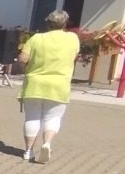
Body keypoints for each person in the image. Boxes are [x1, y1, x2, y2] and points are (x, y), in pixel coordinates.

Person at [18, 9, 79, 164]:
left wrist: (27, 68)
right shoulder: (72, 38)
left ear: (48, 23)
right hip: (59, 84)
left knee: (32, 118)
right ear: (65, 23)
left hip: (34, 84)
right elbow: (73, 56)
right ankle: (47, 143)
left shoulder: (36, 38)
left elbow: (23, 59)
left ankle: (28, 151)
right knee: (53, 117)